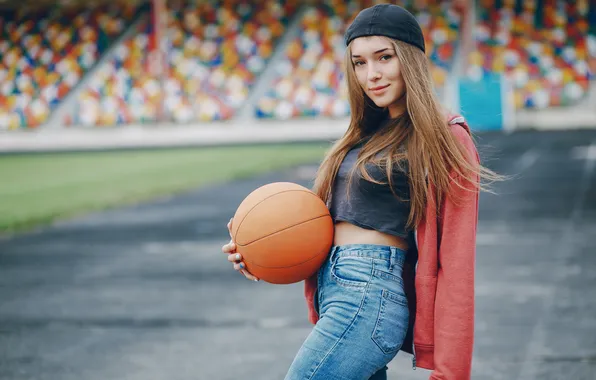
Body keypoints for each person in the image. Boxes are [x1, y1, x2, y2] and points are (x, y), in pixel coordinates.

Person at [222, 4, 500, 379]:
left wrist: (450, 372)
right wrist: (258, 250)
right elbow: (317, 225)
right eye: (359, 63)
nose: (372, 75)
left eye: (384, 58)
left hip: (369, 297)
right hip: (338, 291)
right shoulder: (361, 136)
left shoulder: (444, 136)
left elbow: (456, 259)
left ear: (411, 60)